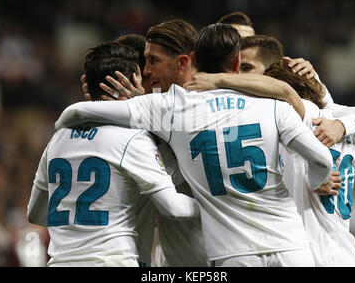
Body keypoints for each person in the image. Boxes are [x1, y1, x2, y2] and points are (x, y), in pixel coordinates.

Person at [55, 23, 335, 267]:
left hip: (226, 252)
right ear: (235, 63)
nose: (147, 71)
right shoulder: (268, 106)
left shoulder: (169, 109)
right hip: (262, 247)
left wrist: (90, 109)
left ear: (186, 61)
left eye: (153, 61)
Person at [184, 37, 355, 266]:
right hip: (345, 255)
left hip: (312, 255)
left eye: (247, 69)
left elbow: (288, 95)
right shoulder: (332, 118)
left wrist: (217, 80)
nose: (240, 77)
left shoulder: (301, 116)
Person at [27, 43, 200, 267]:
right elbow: (174, 208)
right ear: (129, 81)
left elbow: (37, 214)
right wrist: (212, 203)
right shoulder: (131, 139)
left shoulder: (57, 140)